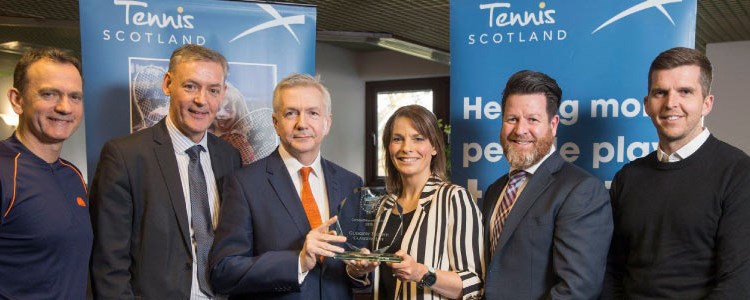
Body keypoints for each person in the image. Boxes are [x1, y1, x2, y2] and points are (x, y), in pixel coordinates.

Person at [90, 44, 242, 299]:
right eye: (190, 86)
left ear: (223, 93)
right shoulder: (124, 156)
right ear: (168, 84)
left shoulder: (230, 157)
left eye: (213, 90)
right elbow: (110, 262)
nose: (201, 100)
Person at [603, 47, 750, 299]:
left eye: (685, 92)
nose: (671, 103)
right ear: (647, 105)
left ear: (707, 103)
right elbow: (611, 272)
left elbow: (738, 283)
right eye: (660, 92)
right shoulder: (627, 178)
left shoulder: (738, 172)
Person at [209, 73, 363, 299]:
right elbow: (223, 271)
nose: (302, 124)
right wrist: (298, 261)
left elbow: (353, 266)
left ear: (327, 123)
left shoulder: (352, 183)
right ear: (275, 123)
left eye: (313, 113)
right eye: (291, 113)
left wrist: (359, 269)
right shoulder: (243, 184)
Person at [481, 70, 612, 299]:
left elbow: (577, 290)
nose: (520, 130)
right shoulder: (495, 190)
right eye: (512, 119)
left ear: (553, 124)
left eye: (532, 119)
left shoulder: (581, 190)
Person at [347, 105, 485, 300]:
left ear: (435, 147)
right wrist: (359, 270)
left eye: (418, 138)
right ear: (389, 147)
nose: (406, 148)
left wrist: (422, 273)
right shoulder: (384, 207)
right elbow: (379, 279)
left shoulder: (454, 198)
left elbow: (475, 284)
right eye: (397, 139)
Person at [0, 48, 89, 299]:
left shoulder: (73, 176)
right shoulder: (5, 171)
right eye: (49, 94)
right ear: (17, 100)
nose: (64, 107)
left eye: (75, 97)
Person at [212, 81, 255, 165]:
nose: (221, 114)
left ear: (238, 112)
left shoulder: (239, 141)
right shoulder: (202, 135)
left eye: (228, 109)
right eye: (217, 109)